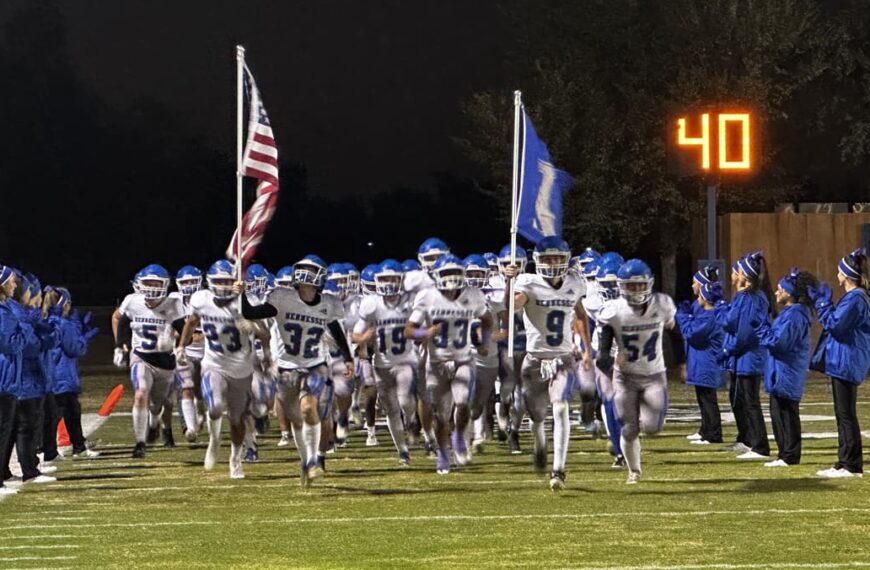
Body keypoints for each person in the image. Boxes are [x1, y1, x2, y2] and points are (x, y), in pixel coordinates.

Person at [239, 254, 354, 487]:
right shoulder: (282, 297)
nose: (305, 274)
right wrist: (240, 294)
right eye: (303, 269)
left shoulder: (329, 303)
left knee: (309, 407)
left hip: (314, 365)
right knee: (296, 420)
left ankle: (313, 460)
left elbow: (336, 330)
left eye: (311, 270)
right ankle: (306, 460)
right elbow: (252, 313)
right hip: (287, 367)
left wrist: (347, 357)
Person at [503, 237, 592, 491]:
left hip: (563, 358)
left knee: (561, 408)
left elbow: (581, 315)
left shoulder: (574, 282)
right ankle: (540, 444)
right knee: (537, 416)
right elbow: (511, 307)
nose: (553, 263)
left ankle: (559, 469)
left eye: (557, 258)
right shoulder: (528, 283)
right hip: (534, 360)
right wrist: (509, 283)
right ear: (537, 261)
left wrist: (585, 350)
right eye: (547, 258)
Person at [179, 260, 269, 479]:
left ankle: (235, 459)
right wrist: (182, 345)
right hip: (214, 363)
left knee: (238, 420)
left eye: (227, 281)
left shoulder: (246, 301)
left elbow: (265, 332)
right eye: (218, 281)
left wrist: (256, 332)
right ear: (210, 282)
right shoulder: (201, 299)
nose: (222, 286)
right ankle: (214, 441)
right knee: (216, 407)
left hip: (242, 368)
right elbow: (191, 322)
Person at [597, 259, 683, 485]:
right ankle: (634, 470)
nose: (636, 290)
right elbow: (603, 351)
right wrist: (609, 361)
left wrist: (680, 363)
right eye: (631, 285)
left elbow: (675, 333)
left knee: (653, 428)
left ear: (649, 284)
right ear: (622, 286)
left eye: (640, 285)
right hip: (624, 377)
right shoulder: (614, 310)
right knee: (629, 428)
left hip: (654, 375)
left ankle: (645, 416)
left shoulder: (662, 304)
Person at [405, 254, 492, 475]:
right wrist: (427, 331)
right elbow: (409, 330)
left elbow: (487, 318)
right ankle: (443, 454)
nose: (452, 279)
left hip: (463, 359)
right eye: (446, 273)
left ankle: (459, 438)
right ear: (437, 275)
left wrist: (485, 341)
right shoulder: (427, 296)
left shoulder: (472, 295)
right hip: (437, 363)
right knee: (441, 416)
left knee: (462, 404)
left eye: (455, 273)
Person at [114, 264, 186, 458]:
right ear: (139, 284)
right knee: (141, 393)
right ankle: (140, 443)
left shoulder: (173, 304)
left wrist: (177, 343)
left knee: (157, 404)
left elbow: (185, 330)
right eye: (148, 283)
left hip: (165, 362)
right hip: (141, 357)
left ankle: (154, 421)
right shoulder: (132, 301)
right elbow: (121, 320)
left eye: (156, 283)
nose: (152, 287)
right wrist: (120, 345)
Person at [811, 248, 870, 478]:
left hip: (847, 360)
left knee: (845, 414)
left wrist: (823, 305)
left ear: (846, 275)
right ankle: (844, 460)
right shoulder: (855, 298)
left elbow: (836, 326)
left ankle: (851, 464)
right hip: (844, 359)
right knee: (842, 413)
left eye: (839, 271)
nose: (836, 274)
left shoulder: (856, 298)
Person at [353, 260, 417, 465]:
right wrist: (364, 339)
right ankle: (403, 451)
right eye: (384, 279)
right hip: (382, 364)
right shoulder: (372, 304)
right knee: (391, 409)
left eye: (392, 278)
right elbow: (355, 334)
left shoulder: (410, 302)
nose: (388, 283)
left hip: (406, 360)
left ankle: (412, 421)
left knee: (406, 401)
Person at [757, 268, 817, 467]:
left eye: (780, 289)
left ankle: (790, 455)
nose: (776, 293)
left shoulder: (795, 315)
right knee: (778, 413)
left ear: (790, 293)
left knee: (787, 414)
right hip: (781, 370)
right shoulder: (790, 313)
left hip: (787, 371)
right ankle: (784, 453)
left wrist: (763, 329)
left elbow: (780, 343)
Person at [721, 251, 775, 460]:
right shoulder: (745, 296)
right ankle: (750, 440)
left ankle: (760, 445)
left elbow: (744, 331)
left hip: (750, 355)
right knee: (743, 399)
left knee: (750, 401)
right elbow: (729, 322)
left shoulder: (754, 297)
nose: (735, 274)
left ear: (746, 274)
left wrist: (729, 349)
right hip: (743, 356)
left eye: (739, 271)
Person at [43, 287, 101, 462]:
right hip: (63, 376)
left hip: (52, 374)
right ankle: (54, 450)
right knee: (65, 414)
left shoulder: (46, 321)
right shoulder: (63, 324)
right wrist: (83, 337)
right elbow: (75, 349)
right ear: (64, 304)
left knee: (66, 413)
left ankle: (76, 446)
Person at [676, 281, 726, 446]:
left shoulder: (710, 317)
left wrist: (683, 316)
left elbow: (692, 334)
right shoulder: (707, 315)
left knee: (708, 400)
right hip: (703, 362)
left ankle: (713, 434)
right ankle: (707, 431)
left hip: (707, 364)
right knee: (703, 399)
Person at [495, 244, 528, 454]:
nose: (511, 267)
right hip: (503, 345)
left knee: (522, 395)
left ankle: (514, 433)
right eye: (506, 264)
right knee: (505, 392)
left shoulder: (531, 283)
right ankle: (503, 420)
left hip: (526, 344)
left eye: (515, 264)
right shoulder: (492, 284)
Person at [0, 266, 26, 495]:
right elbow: (10, 344)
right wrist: (25, 331)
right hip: (3, 376)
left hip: (5, 376)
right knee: (2, 429)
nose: (15, 285)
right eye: (12, 282)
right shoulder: (3, 311)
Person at [174, 265, 206, 443]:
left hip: (208, 354)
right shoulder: (173, 301)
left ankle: (200, 411)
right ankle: (189, 428)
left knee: (201, 393)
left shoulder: (207, 298)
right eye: (185, 282)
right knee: (185, 389)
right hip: (184, 353)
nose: (189, 285)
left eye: (193, 281)